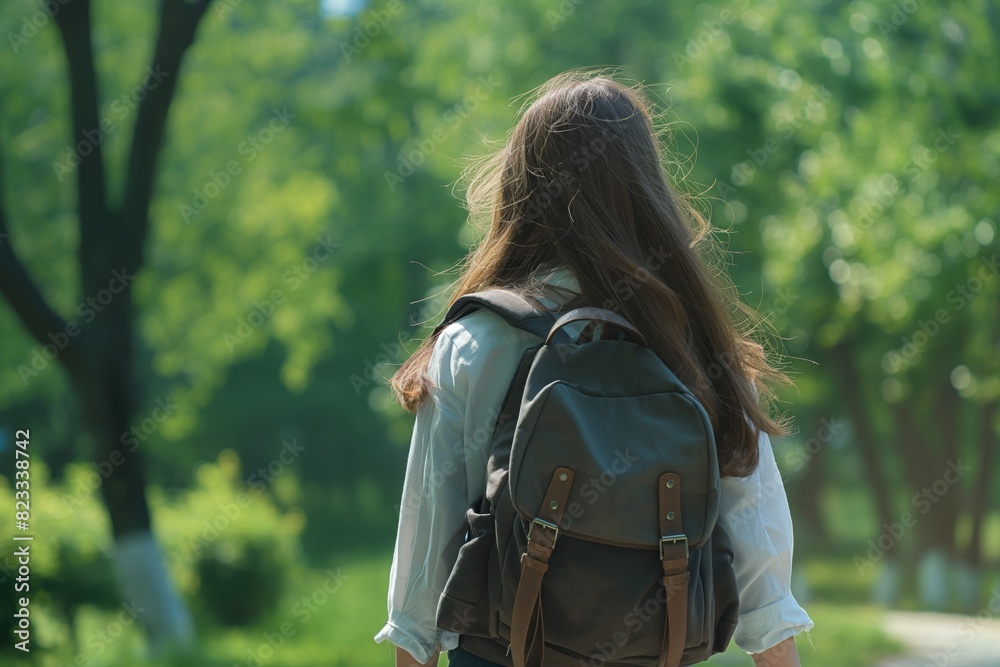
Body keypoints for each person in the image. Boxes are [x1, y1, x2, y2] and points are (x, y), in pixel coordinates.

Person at [374, 70, 814, 667]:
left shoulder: (474, 342)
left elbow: (425, 562)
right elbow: (762, 560)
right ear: (648, 189)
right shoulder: (696, 346)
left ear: (521, 189)